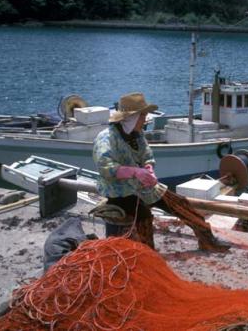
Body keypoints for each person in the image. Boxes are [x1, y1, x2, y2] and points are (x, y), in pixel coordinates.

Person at [92, 92, 230, 252]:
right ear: (131, 117)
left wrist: (149, 169)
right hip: (120, 191)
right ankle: (148, 254)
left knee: (180, 204)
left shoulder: (136, 134)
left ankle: (208, 240)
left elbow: (147, 155)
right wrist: (135, 172)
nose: (145, 120)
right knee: (143, 216)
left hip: (141, 186)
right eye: (142, 116)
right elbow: (105, 168)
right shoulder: (106, 138)